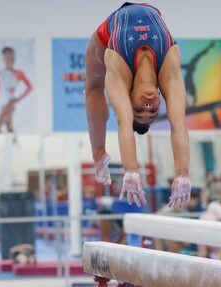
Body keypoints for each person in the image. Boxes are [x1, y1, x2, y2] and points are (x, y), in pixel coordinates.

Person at [85, 2, 190, 208]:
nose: (148, 106)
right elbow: (179, 126)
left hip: (107, 30)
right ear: (162, 99)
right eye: (152, 111)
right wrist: (182, 174)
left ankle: (98, 153)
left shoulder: (118, 70)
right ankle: (99, 154)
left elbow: (124, 123)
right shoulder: (169, 69)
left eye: (139, 110)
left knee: (93, 87)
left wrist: (130, 170)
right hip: (151, 9)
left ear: (128, 96)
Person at [0, 47, 32, 133]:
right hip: (3, 104)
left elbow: (30, 87)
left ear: (14, 59)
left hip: (9, 104)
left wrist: (18, 99)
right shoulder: (0, 74)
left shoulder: (18, 73)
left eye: (11, 57)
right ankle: (14, 144)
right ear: (4, 59)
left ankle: (7, 144)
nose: (10, 60)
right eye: (7, 57)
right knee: (9, 128)